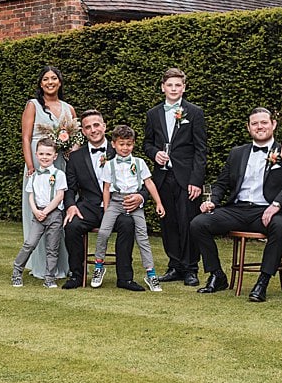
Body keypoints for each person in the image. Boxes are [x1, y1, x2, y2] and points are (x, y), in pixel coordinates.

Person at [191, 108, 282, 301]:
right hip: (237, 210)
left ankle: (262, 282)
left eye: (264, 122)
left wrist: (277, 205)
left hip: (265, 211)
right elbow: (221, 184)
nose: (259, 127)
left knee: (281, 226)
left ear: (273, 124)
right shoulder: (237, 153)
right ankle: (217, 275)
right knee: (198, 223)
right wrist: (212, 201)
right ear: (248, 127)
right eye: (255, 123)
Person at [61, 110, 144, 291]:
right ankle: (77, 275)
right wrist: (71, 206)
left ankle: (125, 278)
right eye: (88, 127)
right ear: (83, 131)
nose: (93, 130)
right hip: (89, 207)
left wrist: (141, 196)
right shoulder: (75, 157)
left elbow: (143, 178)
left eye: (96, 125)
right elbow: (70, 187)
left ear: (104, 127)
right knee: (72, 226)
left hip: (118, 206)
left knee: (127, 223)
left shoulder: (121, 148)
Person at [143, 67, 207, 287]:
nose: (173, 88)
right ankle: (175, 265)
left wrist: (196, 181)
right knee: (168, 222)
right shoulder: (153, 114)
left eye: (177, 85)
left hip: (187, 177)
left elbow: (201, 149)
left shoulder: (195, 112)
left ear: (184, 88)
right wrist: (154, 153)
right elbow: (147, 143)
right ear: (163, 87)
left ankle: (191, 268)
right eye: (169, 85)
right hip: (162, 176)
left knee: (187, 221)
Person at [91, 125, 165, 291]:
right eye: (122, 144)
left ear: (133, 144)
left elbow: (149, 183)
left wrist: (158, 203)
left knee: (143, 237)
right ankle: (98, 265)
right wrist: (106, 209)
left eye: (129, 144)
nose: (125, 148)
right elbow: (106, 188)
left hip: (135, 202)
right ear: (114, 144)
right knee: (103, 232)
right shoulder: (109, 165)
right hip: (116, 202)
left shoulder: (139, 163)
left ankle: (151, 274)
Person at [19, 66, 74, 280]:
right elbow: (25, 137)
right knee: (40, 211)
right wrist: (30, 165)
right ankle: (41, 265)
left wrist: (70, 151)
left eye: (54, 78)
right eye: (46, 79)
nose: (50, 82)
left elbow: (74, 138)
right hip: (38, 164)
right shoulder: (33, 106)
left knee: (59, 212)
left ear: (60, 82)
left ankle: (63, 264)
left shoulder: (69, 109)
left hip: (61, 164)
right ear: (40, 84)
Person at [12, 138, 67, 288]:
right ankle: (17, 271)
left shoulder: (59, 174)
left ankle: (49, 278)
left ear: (55, 156)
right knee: (29, 244)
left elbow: (59, 195)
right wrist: (36, 211)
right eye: (41, 153)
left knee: (52, 248)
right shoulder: (33, 175)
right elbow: (30, 195)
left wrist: (47, 211)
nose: (44, 157)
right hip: (38, 215)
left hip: (54, 214)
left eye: (48, 154)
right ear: (36, 155)